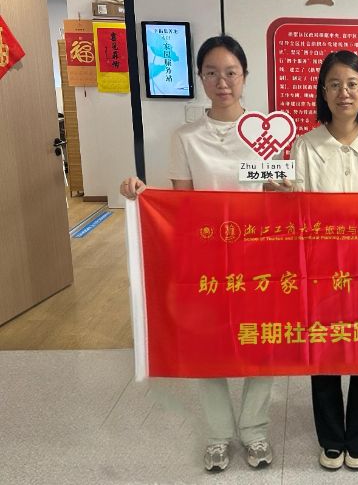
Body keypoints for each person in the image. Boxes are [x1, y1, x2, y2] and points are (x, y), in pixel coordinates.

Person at [120, 35, 274, 473]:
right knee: (209, 344)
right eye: (212, 73)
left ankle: (255, 430)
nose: (222, 82)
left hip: (258, 255)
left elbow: (275, 196)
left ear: (245, 76)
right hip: (208, 256)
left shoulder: (266, 131)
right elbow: (182, 206)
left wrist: (285, 188)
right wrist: (141, 193)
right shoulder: (186, 137)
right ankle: (218, 435)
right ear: (200, 78)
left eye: (231, 72)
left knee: (260, 341)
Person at [265, 50, 358, 470]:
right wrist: (277, 190)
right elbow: (297, 208)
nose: (344, 92)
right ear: (323, 93)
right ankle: (330, 438)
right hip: (321, 269)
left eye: (352, 84)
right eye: (334, 84)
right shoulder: (305, 146)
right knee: (323, 353)